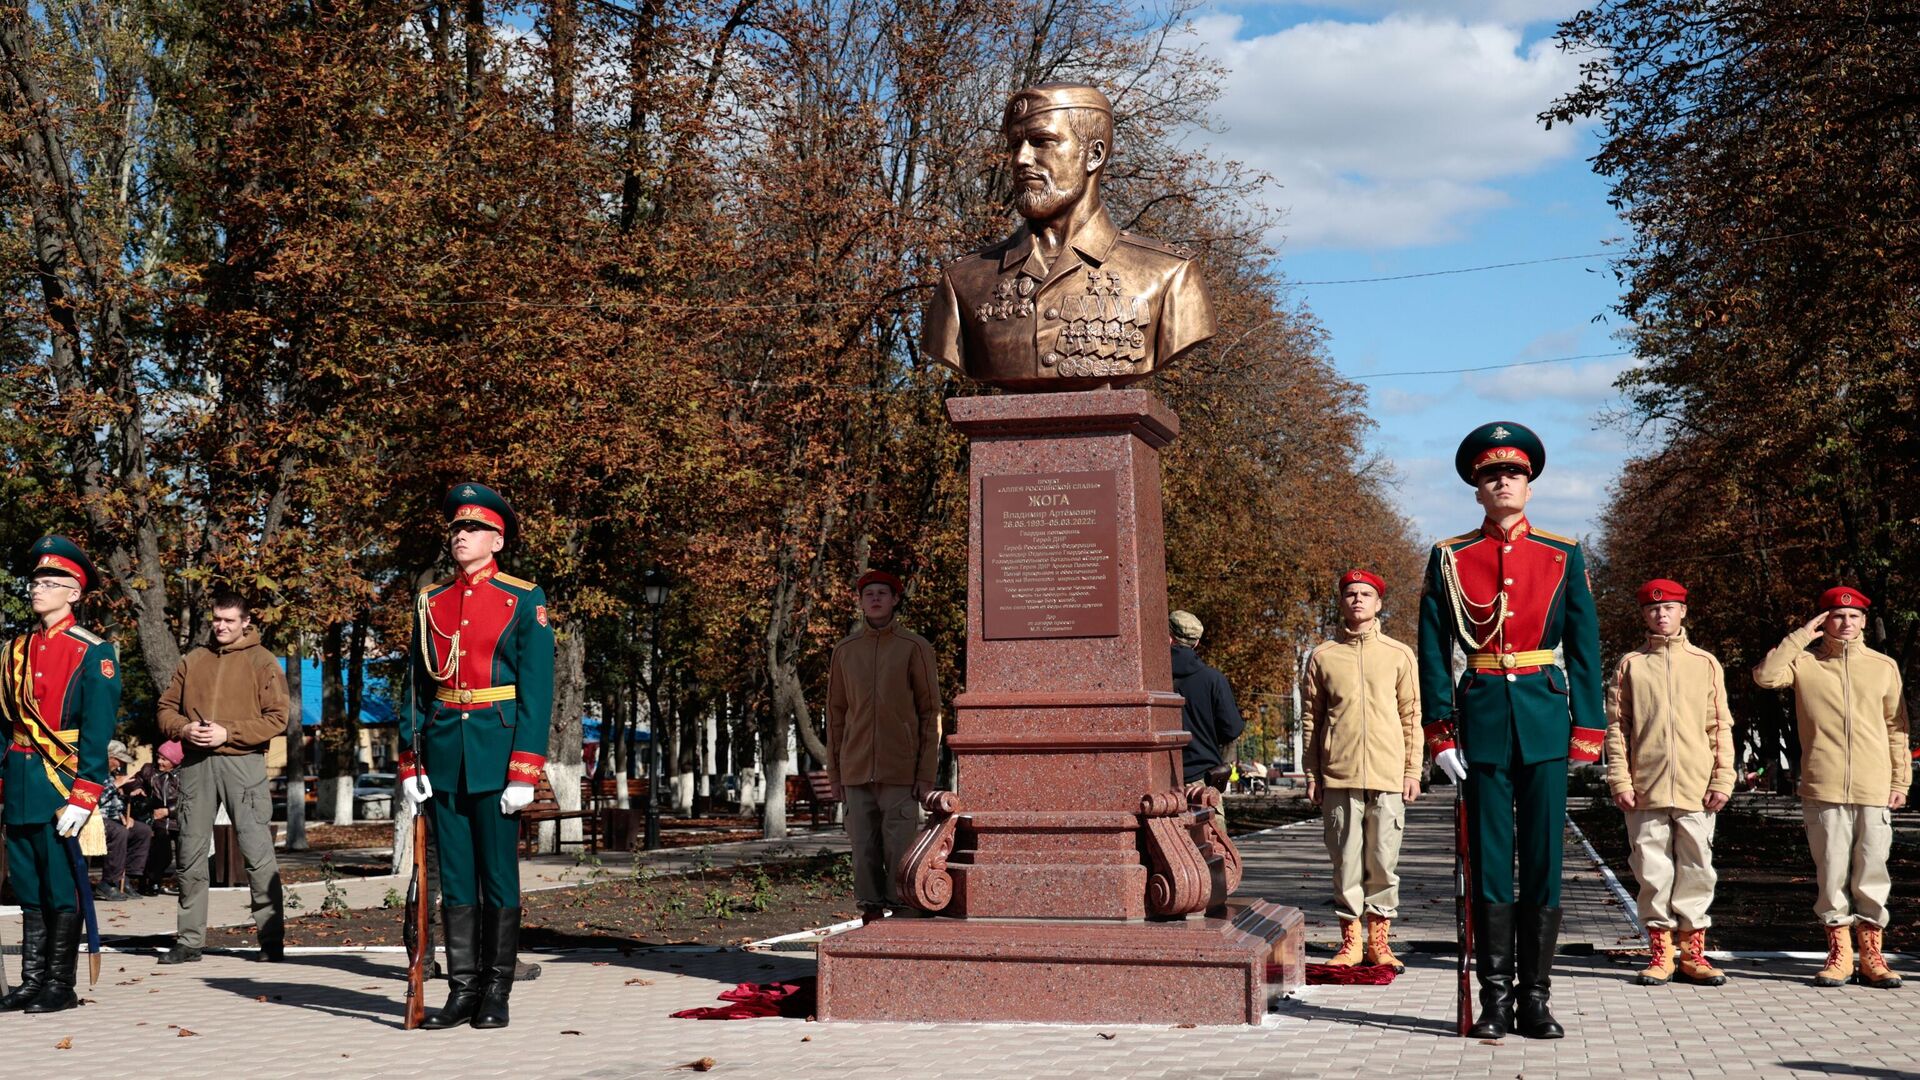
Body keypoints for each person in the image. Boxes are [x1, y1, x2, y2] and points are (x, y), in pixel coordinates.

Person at [1418, 422, 1603, 1040]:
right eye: (1492, 475)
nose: (1503, 482)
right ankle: (1495, 1000)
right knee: (1493, 862)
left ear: (1529, 484)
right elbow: (1431, 648)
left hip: (1546, 719)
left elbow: (1584, 648)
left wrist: (1589, 727)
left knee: (1545, 860)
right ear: (1477, 488)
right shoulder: (1451, 557)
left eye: (1514, 474)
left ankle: (1537, 999)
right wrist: (1440, 733)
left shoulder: (1562, 553)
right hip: (1482, 721)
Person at [920, 83, 1215, 391]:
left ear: (1094, 155)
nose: (1021, 159)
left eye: (1041, 141)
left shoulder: (1169, 275)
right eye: (1015, 145)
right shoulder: (964, 281)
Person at [398, 482, 556, 1030]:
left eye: (472, 529)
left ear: (497, 538)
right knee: (458, 878)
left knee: (498, 876)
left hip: (497, 749)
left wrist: (525, 768)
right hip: (443, 751)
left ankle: (496, 991)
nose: (460, 536)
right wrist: (411, 762)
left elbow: (538, 691)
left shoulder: (523, 598)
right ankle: (462, 990)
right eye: (456, 529)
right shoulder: (431, 601)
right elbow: (416, 688)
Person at [1753, 587, 1910, 989]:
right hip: (1823, 786)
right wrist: (1802, 635)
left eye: (1854, 616)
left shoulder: (1883, 666)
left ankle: (1873, 955)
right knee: (1832, 872)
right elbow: (1766, 676)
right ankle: (1840, 954)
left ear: (1862, 621)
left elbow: (1897, 730)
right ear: (1824, 620)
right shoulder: (1805, 664)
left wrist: (1900, 780)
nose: (1846, 623)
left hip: (1874, 786)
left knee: (1873, 871)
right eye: (1837, 617)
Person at [0, 535, 121, 1013]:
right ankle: (32, 982)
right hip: (21, 779)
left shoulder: (94, 651)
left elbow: (95, 732)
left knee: (59, 885)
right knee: (28, 886)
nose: (37, 589)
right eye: (35, 580)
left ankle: (60, 984)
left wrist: (84, 794)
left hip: (61, 781)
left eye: (51, 582)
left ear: (74, 592)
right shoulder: (13, 650)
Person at [1604, 579, 1734, 986]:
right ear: (1644, 615)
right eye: (1653, 610)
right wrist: (1619, 779)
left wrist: (1723, 778)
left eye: (1670, 608)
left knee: (1697, 868)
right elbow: (1616, 728)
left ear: (1683, 612)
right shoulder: (1630, 665)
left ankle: (1694, 953)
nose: (1662, 615)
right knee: (1651, 871)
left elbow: (1720, 726)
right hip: (1645, 786)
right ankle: (1660, 952)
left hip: (1697, 786)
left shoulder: (1705, 663)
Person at [155, 589, 290, 964]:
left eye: (230, 620)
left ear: (246, 621)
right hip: (197, 765)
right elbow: (165, 709)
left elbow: (278, 717)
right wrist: (184, 730)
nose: (221, 626)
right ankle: (189, 940)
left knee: (257, 852)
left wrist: (227, 733)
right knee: (190, 851)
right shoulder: (194, 659)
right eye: (217, 619)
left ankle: (271, 939)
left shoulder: (262, 661)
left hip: (243, 762)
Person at [1302, 570, 1421, 972]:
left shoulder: (1399, 654)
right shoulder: (1323, 656)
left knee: (1384, 859)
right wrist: (1312, 773)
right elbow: (1311, 719)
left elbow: (1411, 716)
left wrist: (1412, 770)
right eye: (1350, 593)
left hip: (1388, 774)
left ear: (1378, 603)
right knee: (1346, 861)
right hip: (1339, 773)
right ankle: (1351, 941)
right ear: (1342, 601)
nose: (1357, 599)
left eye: (1365, 594)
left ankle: (1380, 942)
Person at [825, 569, 942, 923]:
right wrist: (836, 774)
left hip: (900, 770)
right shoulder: (845, 651)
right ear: (860, 602)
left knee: (901, 847)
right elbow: (836, 715)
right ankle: (870, 913)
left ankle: (905, 911)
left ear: (894, 600)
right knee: (863, 849)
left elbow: (929, 711)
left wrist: (925, 773)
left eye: (882, 593)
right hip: (856, 770)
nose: (875, 599)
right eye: (868, 594)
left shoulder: (914, 647)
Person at [1170, 610, 1245, 802]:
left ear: (1169, 638)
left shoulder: (1150, 679)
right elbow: (1232, 729)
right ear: (1196, 643)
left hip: (1158, 782)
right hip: (1202, 781)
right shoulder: (1213, 679)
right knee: (1211, 832)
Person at [126, 739, 185, 894]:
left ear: (175, 761)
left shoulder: (185, 774)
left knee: (185, 854)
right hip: (158, 821)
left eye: (164, 759)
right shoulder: (149, 770)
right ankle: (153, 883)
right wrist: (137, 788)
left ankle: (185, 885)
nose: (159, 761)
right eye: (158, 757)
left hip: (179, 819)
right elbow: (134, 780)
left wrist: (169, 811)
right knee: (159, 854)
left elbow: (191, 799)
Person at [98, 740, 153, 901]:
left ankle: (125, 876)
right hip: (94, 819)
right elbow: (92, 800)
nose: (121, 764)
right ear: (109, 757)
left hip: (113, 818)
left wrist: (124, 815)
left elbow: (114, 803)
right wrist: (115, 785)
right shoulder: (93, 773)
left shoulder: (112, 775)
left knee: (142, 831)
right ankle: (108, 882)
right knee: (119, 832)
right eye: (119, 760)